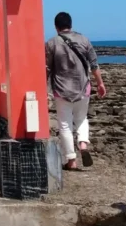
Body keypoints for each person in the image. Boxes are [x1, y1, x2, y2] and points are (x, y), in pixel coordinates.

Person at [44, 11, 107, 170]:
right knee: (82, 119)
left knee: (64, 125)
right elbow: (94, 64)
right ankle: (83, 145)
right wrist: (100, 83)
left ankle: (71, 160)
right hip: (83, 88)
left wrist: (44, 90)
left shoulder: (52, 43)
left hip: (61, 89)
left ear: (56, 27)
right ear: (70, 25)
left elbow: (47, 68)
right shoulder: (83, 39)